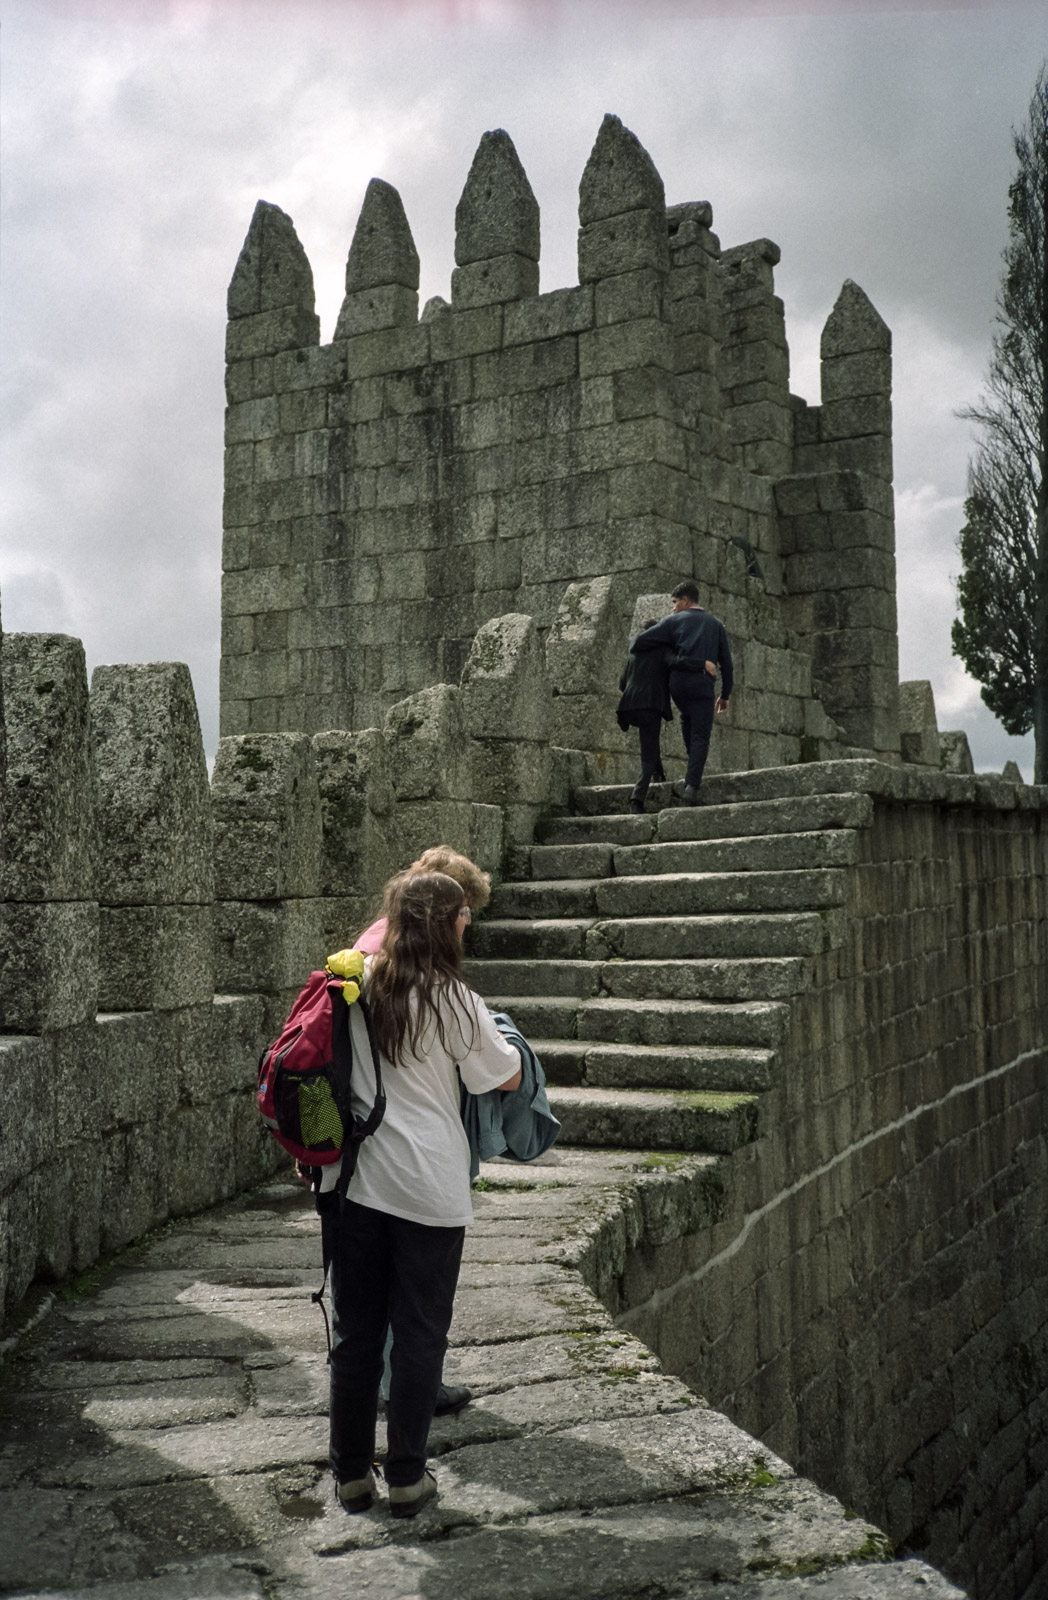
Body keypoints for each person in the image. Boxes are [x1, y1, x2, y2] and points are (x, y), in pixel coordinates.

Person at [327, 870, 522, 1520]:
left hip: (356, 1187)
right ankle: (408, 1476)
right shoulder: (451, 997)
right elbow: (502, 1073)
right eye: (463, 915)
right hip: (428, 1191)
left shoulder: (353, 983)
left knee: (357, 1336)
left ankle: (351, 1476)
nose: (469, 924)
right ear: (443, 922)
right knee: (418, 1333)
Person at [630, 581, 733, 805]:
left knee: (687, 721)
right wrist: (725, 694)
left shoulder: (672, 623)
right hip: (702, 686)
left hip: (678, 686)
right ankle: (691, 788)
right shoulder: (716, 625)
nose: (674, 607)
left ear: (686, 600)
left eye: (676, 602)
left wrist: (666, 651)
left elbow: (637, 642)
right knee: (700, 738)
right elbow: (726, 663)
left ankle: (692, 771)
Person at [616, 618, 672, 814]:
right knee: (647, 755)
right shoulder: (662, 652)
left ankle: (659, 774)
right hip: (650, 705)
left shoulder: (633, 654)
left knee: (650, 740)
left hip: (628, 707)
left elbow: (622, 684)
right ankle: (636, 800)